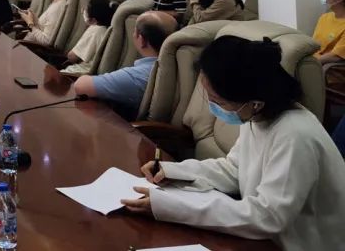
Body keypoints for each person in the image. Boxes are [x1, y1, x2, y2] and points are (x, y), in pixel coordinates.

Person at [121, 36, 345, 251]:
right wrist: (173, 172)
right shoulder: (256, 116)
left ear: (255, 103)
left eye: (218, 101)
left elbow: (269, 217)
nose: (213, 108)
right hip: (266, 239)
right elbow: (234, 169)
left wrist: (170, 208)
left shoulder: (295, 135)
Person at [73, 11, 176, 120]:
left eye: (134, 31)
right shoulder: (177, 67)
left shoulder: (137, 76)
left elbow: (81, 86)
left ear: (141, 40)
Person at [61, 0, 116, 76]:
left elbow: (72, 56)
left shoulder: (95, 30)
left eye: (86, 10)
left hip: (77, 73)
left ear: (93, 19)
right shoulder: (105, 30)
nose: (83, 11)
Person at [314, 0, 345, 67]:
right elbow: (313, 45)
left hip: (325, 66)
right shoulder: (324, 18)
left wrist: (309, 64)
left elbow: (335, 56)